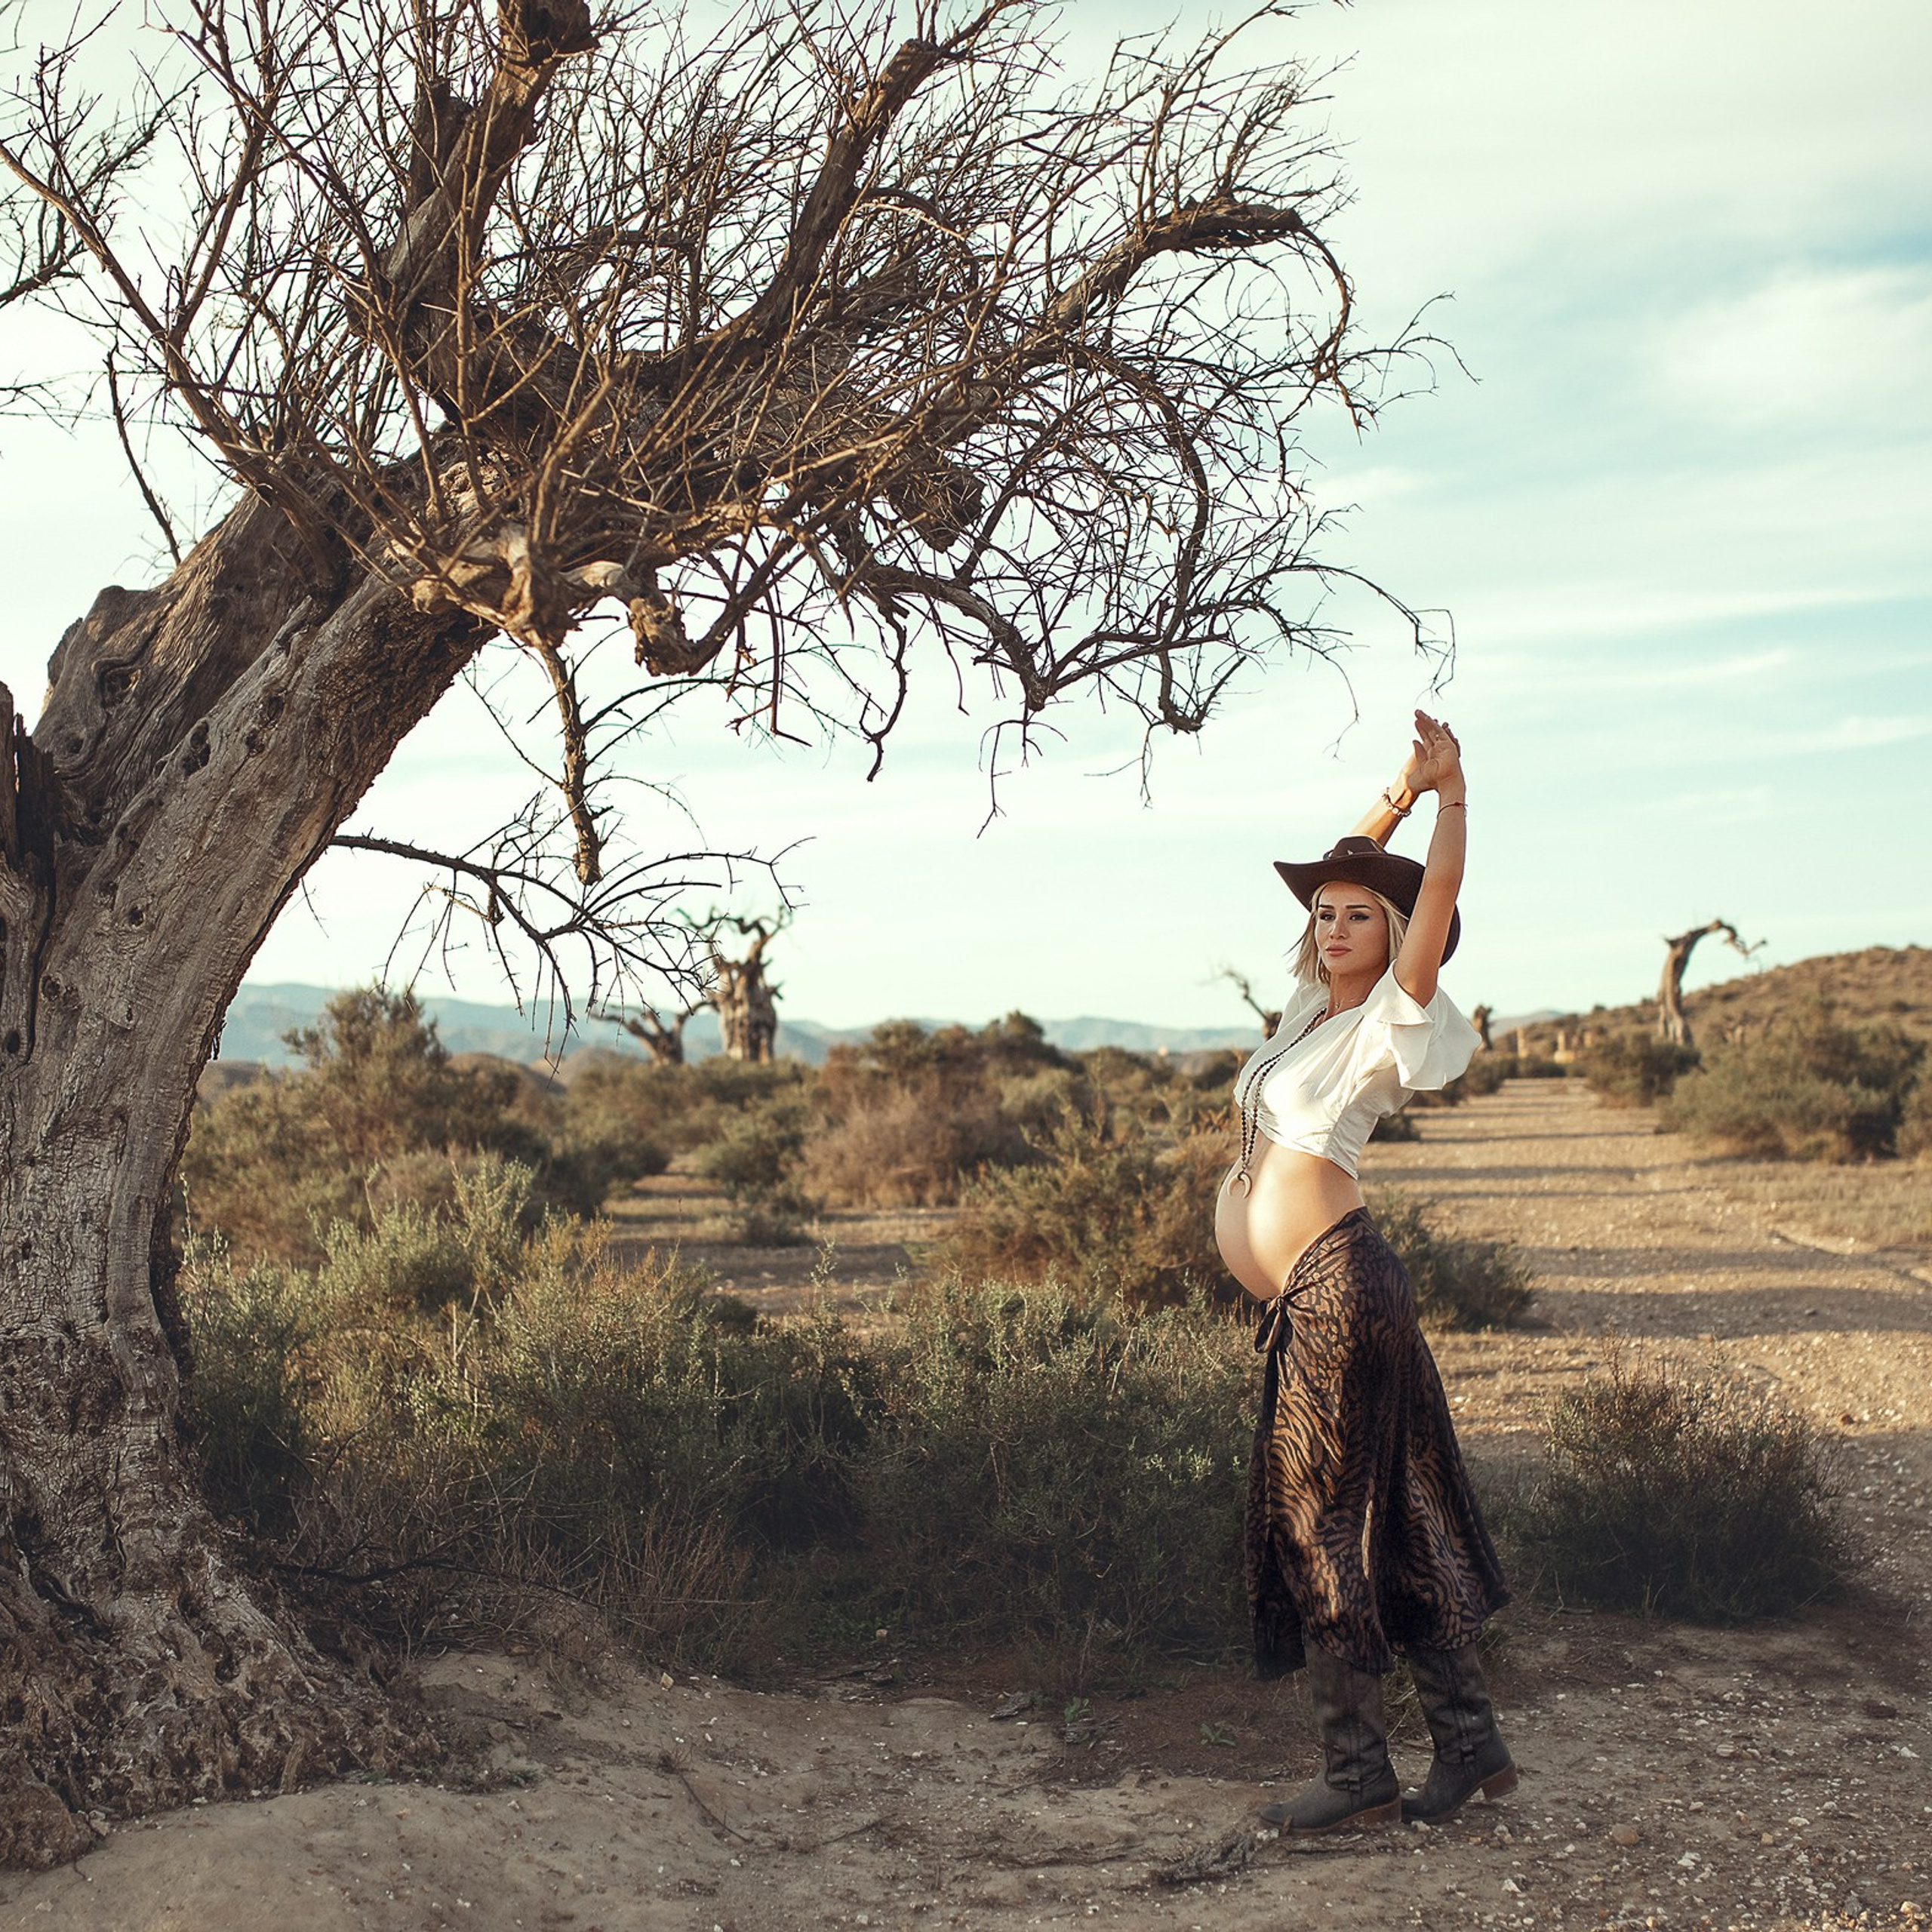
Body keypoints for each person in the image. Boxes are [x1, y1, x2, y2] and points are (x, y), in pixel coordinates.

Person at [1216, 710, 1516, 1835]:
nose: (1336, 926)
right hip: (1323, 1298)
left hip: (1341, 1290)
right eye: (1325, 914)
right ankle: (1470, 1745)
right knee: (1391, 1510)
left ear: (1393, 936)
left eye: (1359, 916)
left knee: (1320, 1519)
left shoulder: (1390, 1016)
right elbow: (1348, 870)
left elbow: (1433, 897)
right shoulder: (1307, 1014)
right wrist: (1394, 789)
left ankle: (1357, 1774)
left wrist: (1451, 795)